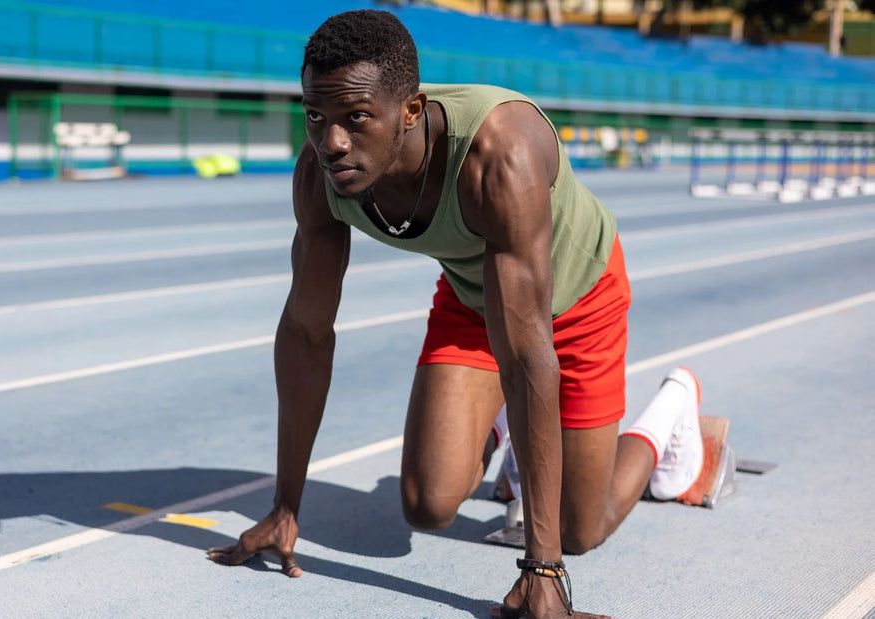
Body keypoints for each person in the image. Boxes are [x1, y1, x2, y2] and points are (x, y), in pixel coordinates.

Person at [207, 9, 706, 618]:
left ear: (410, 112)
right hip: (474, 299)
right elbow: (307, 333)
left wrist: (542, 569)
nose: (332, 140)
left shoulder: (500, 152)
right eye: (316, 116)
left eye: (356, 118)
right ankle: (499, 428)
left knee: (580, 530)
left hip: (579, 304)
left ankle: (672, 412)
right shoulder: (322, 175)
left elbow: (527, 355)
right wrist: (287, 508)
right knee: (426, 505)